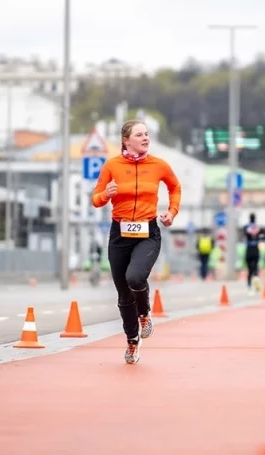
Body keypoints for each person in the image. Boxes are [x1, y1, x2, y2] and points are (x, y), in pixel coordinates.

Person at [91, 119, 181, 365]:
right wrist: (106, 194)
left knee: (135, 278)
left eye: (147, 134)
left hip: (147, 233)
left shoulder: (158, 165)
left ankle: (144, 313)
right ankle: (132, 340)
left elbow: (175, 187)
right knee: (123, 294)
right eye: (139, 135)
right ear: (126, 140)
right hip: (119, 234)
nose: (145, 138)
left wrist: (172, 212)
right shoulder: (112, 165)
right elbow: (96, 199)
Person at [243, 213, 265, 292]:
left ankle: (249, 285)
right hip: (256, 248)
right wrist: (259, 238)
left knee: (249, 269)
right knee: (255, 268)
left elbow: (245, 234)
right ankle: (256, 285)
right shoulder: (258, 228)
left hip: (249, 249)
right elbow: (264, 236)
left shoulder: (246, 227)